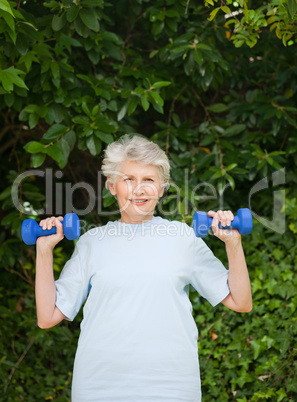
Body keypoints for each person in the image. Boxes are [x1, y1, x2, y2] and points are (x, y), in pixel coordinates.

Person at [35, 134, 252, 402]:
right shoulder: (92, 243)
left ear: (162, 187)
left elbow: (240, 301)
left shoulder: (183, 238)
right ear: (112, 186)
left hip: (172, 387)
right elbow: (47, 317)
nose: (139, 190)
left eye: (148, 180)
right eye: (129, 179)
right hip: (99, 387)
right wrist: (44, 252)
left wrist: (233, 243)